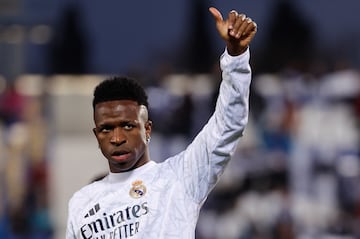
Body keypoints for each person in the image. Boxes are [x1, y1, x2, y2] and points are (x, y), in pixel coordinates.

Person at [66, 6, 257, 239]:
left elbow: (228, 126)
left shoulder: (179, 178)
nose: (117, 138)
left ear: (147, 129)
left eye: (127, 126)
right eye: (107, 129)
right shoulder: (81, 203)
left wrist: (236, 58)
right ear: (97, 135)